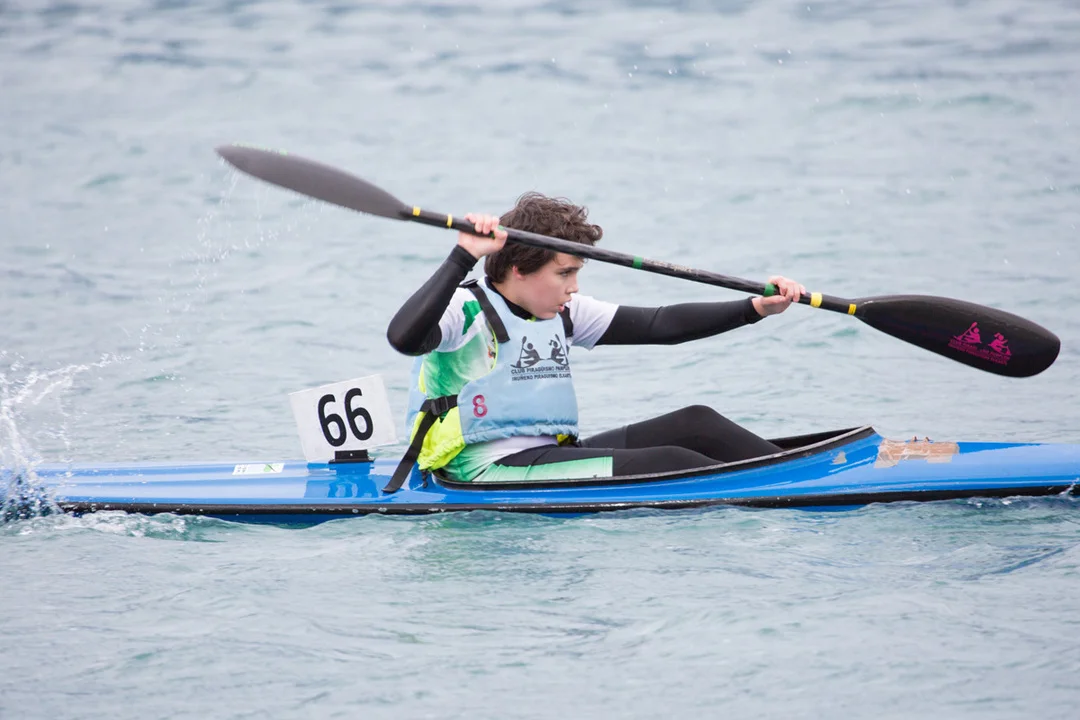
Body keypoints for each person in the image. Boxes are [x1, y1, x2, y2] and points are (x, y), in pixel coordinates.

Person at [385, 192, 805, 487]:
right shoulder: (465, 310)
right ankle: (791, 490)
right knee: (671, 462)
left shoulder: (564, 312)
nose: (574, 286)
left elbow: (660, 325)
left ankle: (802, 475)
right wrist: (464, 255)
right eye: (564, 273)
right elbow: (403, 337)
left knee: (697, 423)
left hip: (547, 457)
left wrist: (755, 308)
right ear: (519, 270)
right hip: (485, 470)